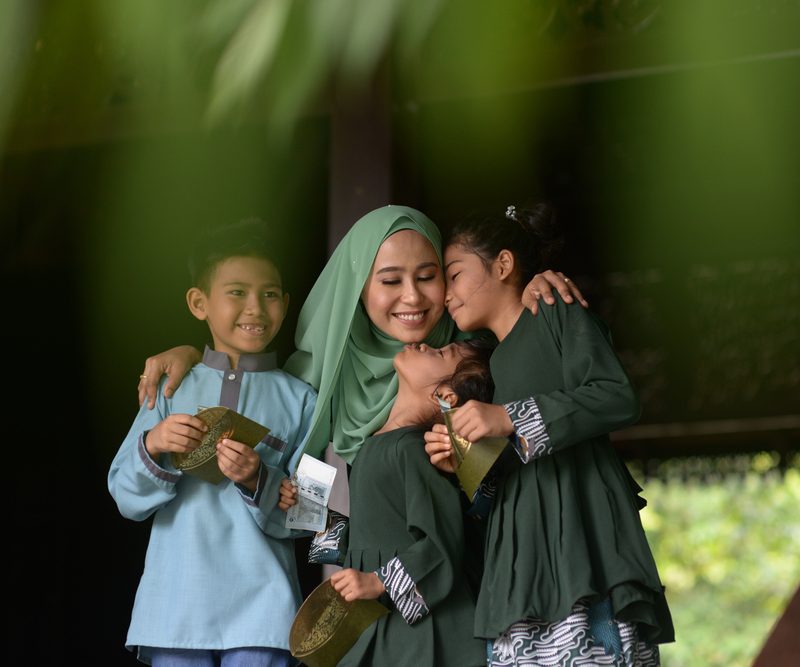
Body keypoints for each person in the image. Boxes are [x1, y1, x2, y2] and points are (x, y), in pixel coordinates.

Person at [136, 205, 587, 466]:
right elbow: (304, 508)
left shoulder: (474, 355)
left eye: (427, 276)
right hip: (371, 583)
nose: (412, 297)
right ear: (357, 289)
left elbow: (494, 478)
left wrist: (528, 286)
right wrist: (192, 354)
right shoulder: (317, 381)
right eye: (390, 280)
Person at [424, 203, 675, 666]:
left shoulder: (554, 309)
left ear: (503, 264)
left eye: (454, 275)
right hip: (519, 558)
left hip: (578, 530)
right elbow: (507, 469)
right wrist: (462, 462)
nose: (446, 295)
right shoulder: (492, 363)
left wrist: (509, 417)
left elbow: (616, 396)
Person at [108, 219, 317, 667]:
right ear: (198, 303)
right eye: (237, 292)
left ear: (286, 303)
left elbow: (314, 514)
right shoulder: (170, 387)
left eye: (269, 294)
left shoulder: (305, 400)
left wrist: (259, 478)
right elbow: (124, 496)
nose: (255, 308)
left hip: (265, 610)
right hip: (175, 605)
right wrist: (154, 443)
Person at [282, 339, 497, 666]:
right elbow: (367, 541)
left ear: (446, 395)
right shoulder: (372, 447)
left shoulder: (413, 450)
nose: (423, 345)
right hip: (385, 624)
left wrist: (378, 580)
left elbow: (443, 541)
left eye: (441, 353)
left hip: (423, 634)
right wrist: (305, 508)